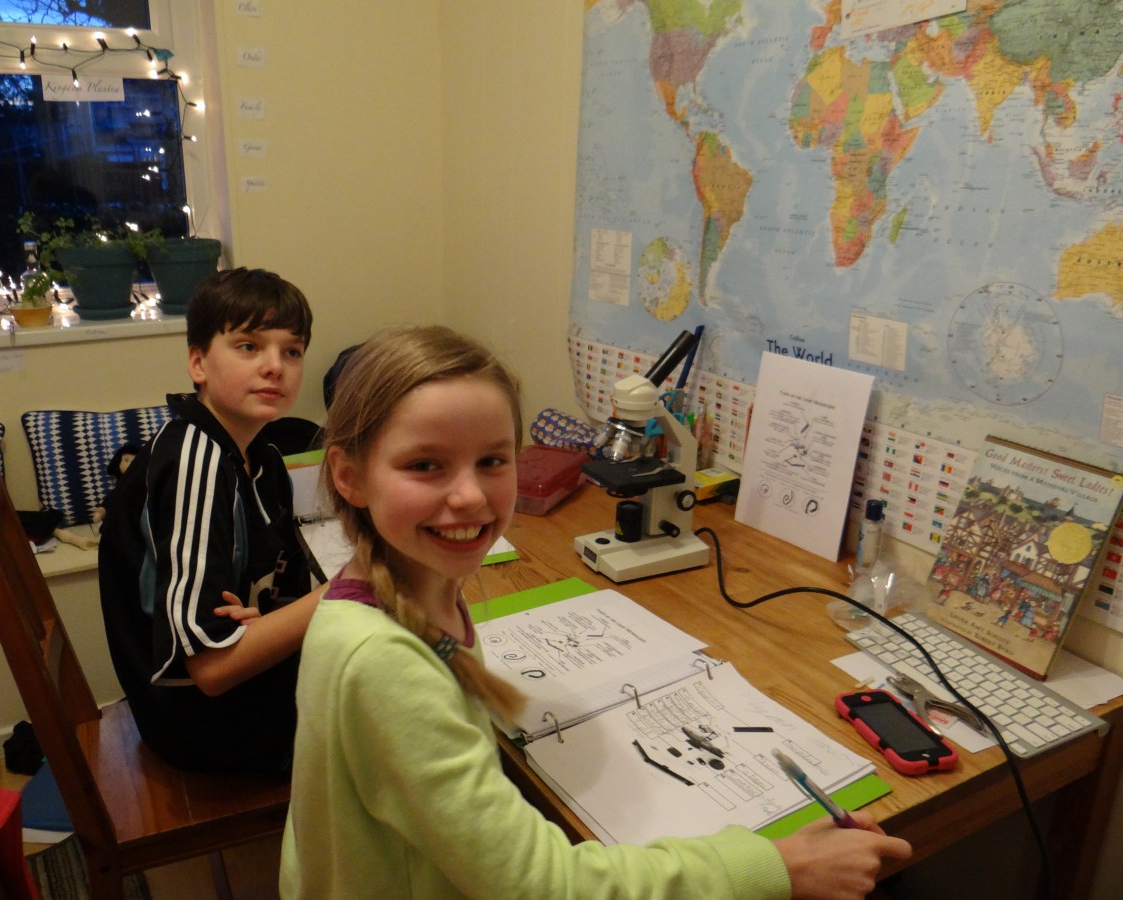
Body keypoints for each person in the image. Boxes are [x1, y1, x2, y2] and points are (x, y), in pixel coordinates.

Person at [281, 325, 912, 899]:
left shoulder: (409, 584)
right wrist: (780, 867)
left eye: (492, 461)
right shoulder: (385, 664)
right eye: (425, 466)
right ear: (349, 476)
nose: (469, 495)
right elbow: (541, 886)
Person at [98, 267, 322, 775]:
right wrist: (348, 589)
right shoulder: (194, 459)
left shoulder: (262, 457)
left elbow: (264, 602)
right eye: (249, 346)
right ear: (198, 363)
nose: (275, 366)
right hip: (205, 725)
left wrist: (264, 622)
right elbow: (213, 668)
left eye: (292, 351)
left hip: (235, 692)